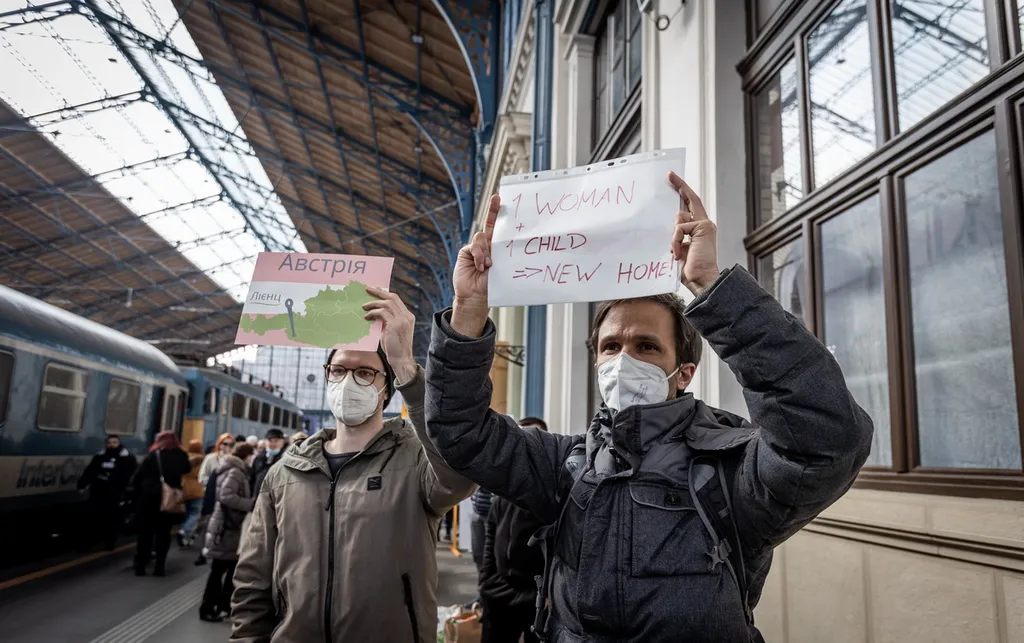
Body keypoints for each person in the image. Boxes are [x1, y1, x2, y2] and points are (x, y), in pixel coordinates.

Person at [423, 174, 874, 642]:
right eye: (611, 346)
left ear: (684, 372)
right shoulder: (565, 466)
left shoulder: (731, 473)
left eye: (647, 346)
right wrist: (468, 311)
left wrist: (713, 287)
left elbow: (829, 439)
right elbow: (460, 429)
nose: (624, 360)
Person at [232, 287, 477, 643]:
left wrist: (406, 367)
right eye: (338, 370)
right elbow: (253, 578)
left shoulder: (414, 460)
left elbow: (459, 478)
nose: (348, 381)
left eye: (364, 373)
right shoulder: (285, 473)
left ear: (386, 389)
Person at [479, 417, 548, 643]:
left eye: (534, 440)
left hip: (537, 601)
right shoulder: (502, 494)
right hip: (498, 597)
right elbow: (489, 545)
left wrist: (545, 596)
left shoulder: (552, 497)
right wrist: (487, 586)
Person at [200, 442, 257, 622]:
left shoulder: (230, 468)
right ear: (246, 456)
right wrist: (250, 504)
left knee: (227, 569)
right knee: (219, 570)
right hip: (227, 527)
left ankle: (223, 606)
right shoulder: (236, 472)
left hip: (225, 526)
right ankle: (208, 608)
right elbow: (226, 496)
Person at [131, 431, 191, 577]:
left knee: (145, 533)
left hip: (149, 498)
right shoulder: (181, 455)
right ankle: (160, 566)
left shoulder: (154, 455)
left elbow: (137, 476)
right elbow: (187, 469)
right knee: (164, 533)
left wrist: (138, 493)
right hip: (168, 500)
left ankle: (141, 566)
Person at [77, 435, 136, 551]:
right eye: (109, 443)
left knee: (112, 518)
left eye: (114, 442)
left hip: (114, 493)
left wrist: (122, 487)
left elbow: (129, 474)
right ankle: (88, 543)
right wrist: (82, 484)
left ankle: (110, 543)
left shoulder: (127, 458)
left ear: (119, 443)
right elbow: (90, 471)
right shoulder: (100, 457)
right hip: (98, 491)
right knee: (93, 517)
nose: (112, 445)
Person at [195, 434, 235, 566]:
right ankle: (203, 552)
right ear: (219, 444)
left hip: (227, 499)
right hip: (212, 497)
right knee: (208, 525)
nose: (227, 447)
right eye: (225, 444)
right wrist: (213, 485)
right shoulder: (211, 458)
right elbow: (202, 476)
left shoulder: (235, 460)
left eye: (231, 444)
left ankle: (219, 553)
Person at [179, 439, 206, 548]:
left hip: (185, 488)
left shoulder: (184, 458)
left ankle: (185, 534)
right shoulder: (203, 459)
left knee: (186, 513)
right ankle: (185, 530)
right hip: (197, 489)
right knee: (195, 513)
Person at [250, 428, 284, 494]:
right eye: (270, 441)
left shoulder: (284, 459)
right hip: (257, 494)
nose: (273, 444)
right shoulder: (258, 458)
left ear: (282, 442)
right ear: (265, 442)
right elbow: (252, 477)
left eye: (276, 441)